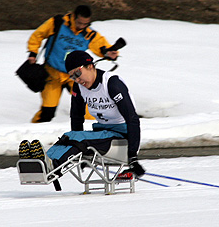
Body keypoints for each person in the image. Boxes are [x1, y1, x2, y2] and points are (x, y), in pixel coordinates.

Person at [20, 51, 145, 179]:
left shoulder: (111, 84)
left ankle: (51, 167)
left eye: (78, 74)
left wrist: (133, 156)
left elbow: (132, 119)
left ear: (90, 66)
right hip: (103, 133)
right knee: (69, 136)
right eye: (73, 77)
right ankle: (40, 162)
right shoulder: (79, 87)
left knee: (79, 138)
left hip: (123, 137)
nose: (77, 80)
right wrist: (77, 152)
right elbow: (76, 116)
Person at [27, 5, 118, 123]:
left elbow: (103, 47)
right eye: (79, 22)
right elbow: (37, 35)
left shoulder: (89, 34)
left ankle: (95, 134)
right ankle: (34, 135)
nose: (81, 26)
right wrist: (33, 53)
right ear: (73, 16)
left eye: (85, 24)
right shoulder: (57, 23)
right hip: (52, 73)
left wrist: (110, 54)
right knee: (47, 111)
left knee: (88, 107)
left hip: (76, 75)